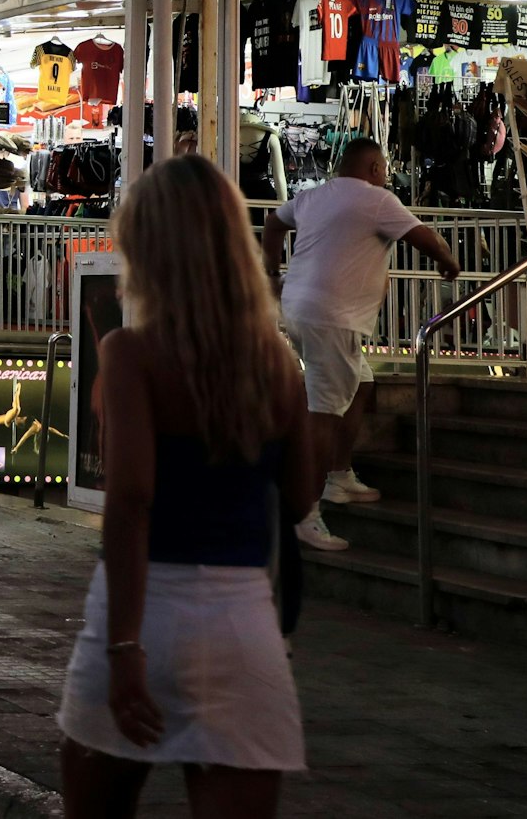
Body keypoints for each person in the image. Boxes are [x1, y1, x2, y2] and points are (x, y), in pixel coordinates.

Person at [58, 155, 318, 819]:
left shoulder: (130, 354)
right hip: (242, 621)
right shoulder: (279, 365)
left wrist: (124, 646)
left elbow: (131, 501)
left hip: (144, 611)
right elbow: (300, 497)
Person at [261, 138, 460, 552]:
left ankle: (340, 475)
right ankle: (304, 515)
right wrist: (448, 262)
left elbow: (273, 224)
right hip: (332, 321)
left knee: (362, 384)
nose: (386, 174)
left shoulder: (312, 197)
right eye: (384, 167)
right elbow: (426, 239)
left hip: (301, 310)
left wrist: (272, 273)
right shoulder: (377, 199)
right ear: (374, 168)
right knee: (323, 415)